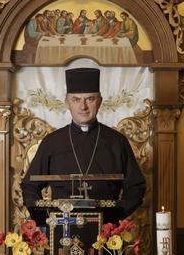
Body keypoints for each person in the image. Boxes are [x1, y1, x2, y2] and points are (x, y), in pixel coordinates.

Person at [21, 68, 146, 224]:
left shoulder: (117, 141)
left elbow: (136, 187)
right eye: (76, 99)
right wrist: (47, 220)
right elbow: (29, 186)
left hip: (107, 234)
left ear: (99, 101)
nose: (83, 106)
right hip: (61, 231)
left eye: (89, 99)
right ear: (67, 102)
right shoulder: (51, 142)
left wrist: (114, 219)